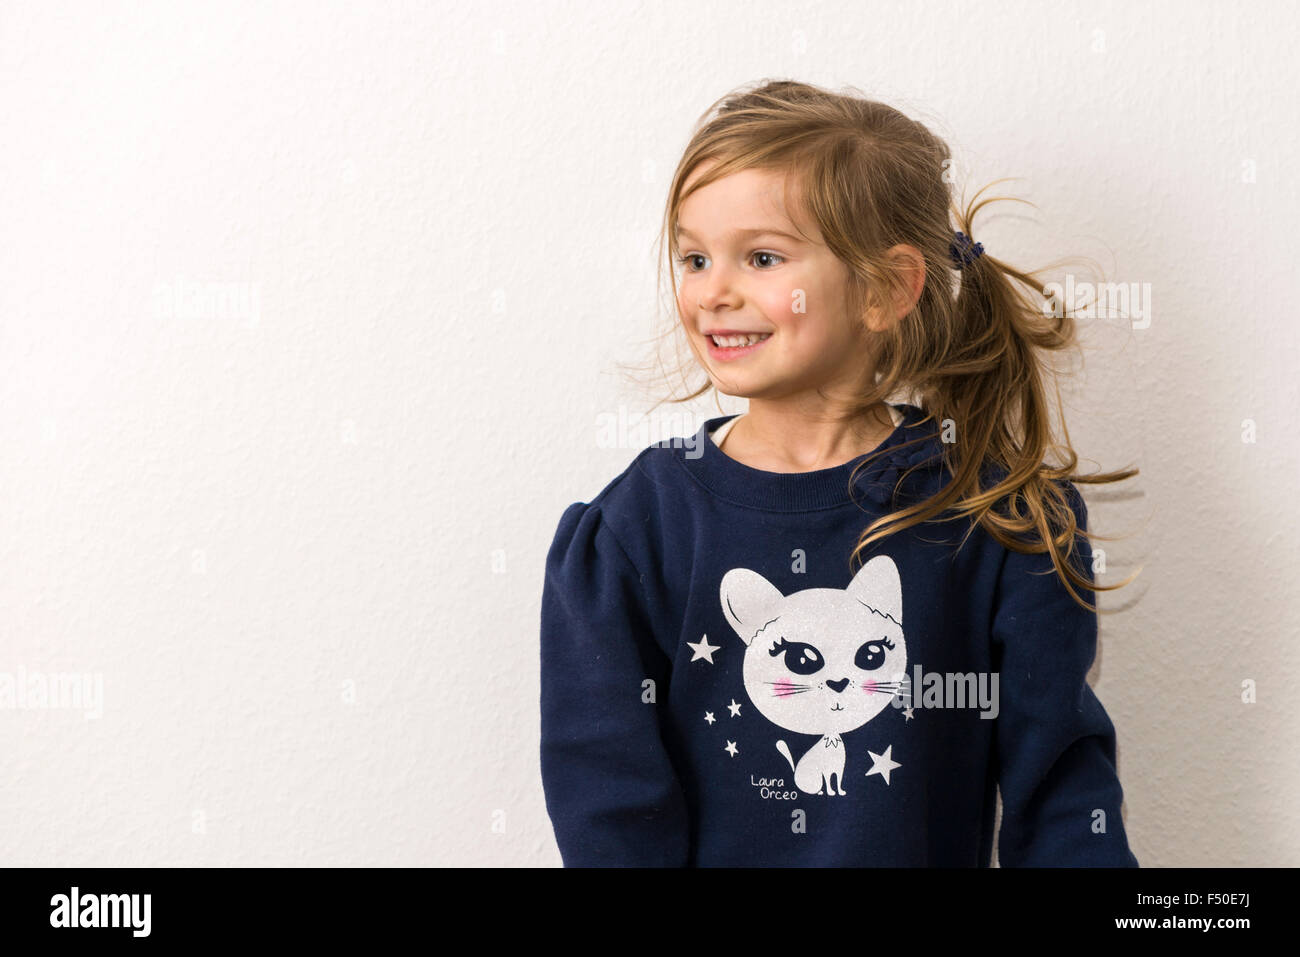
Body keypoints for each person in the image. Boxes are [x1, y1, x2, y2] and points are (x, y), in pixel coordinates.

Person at [539, 79, 1141, 867]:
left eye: (760, 257)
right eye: (693, 257)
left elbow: (1062, 796)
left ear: (887, 288)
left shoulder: (997, 517)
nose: (712, 291)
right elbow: (607, 807)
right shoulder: (633, 530)